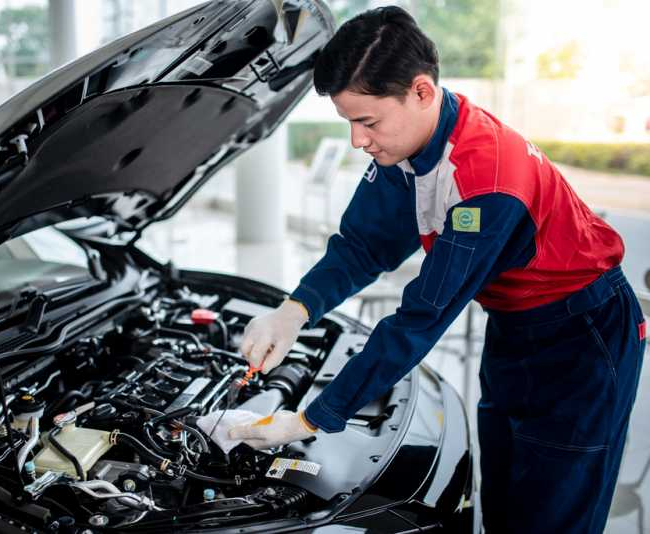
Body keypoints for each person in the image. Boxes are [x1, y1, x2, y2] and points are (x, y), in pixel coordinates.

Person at [228, 6, 646, 533]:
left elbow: (420, 319)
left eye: (367, 121)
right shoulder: (411, 146)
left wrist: (309, 418)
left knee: (554, 513)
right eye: (349, 122)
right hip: (516, 328)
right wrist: (292, 311)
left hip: (583, 338)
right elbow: (363, 246)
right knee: (502, 497)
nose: (358, 140)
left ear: (421, 91)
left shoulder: (485, 182)